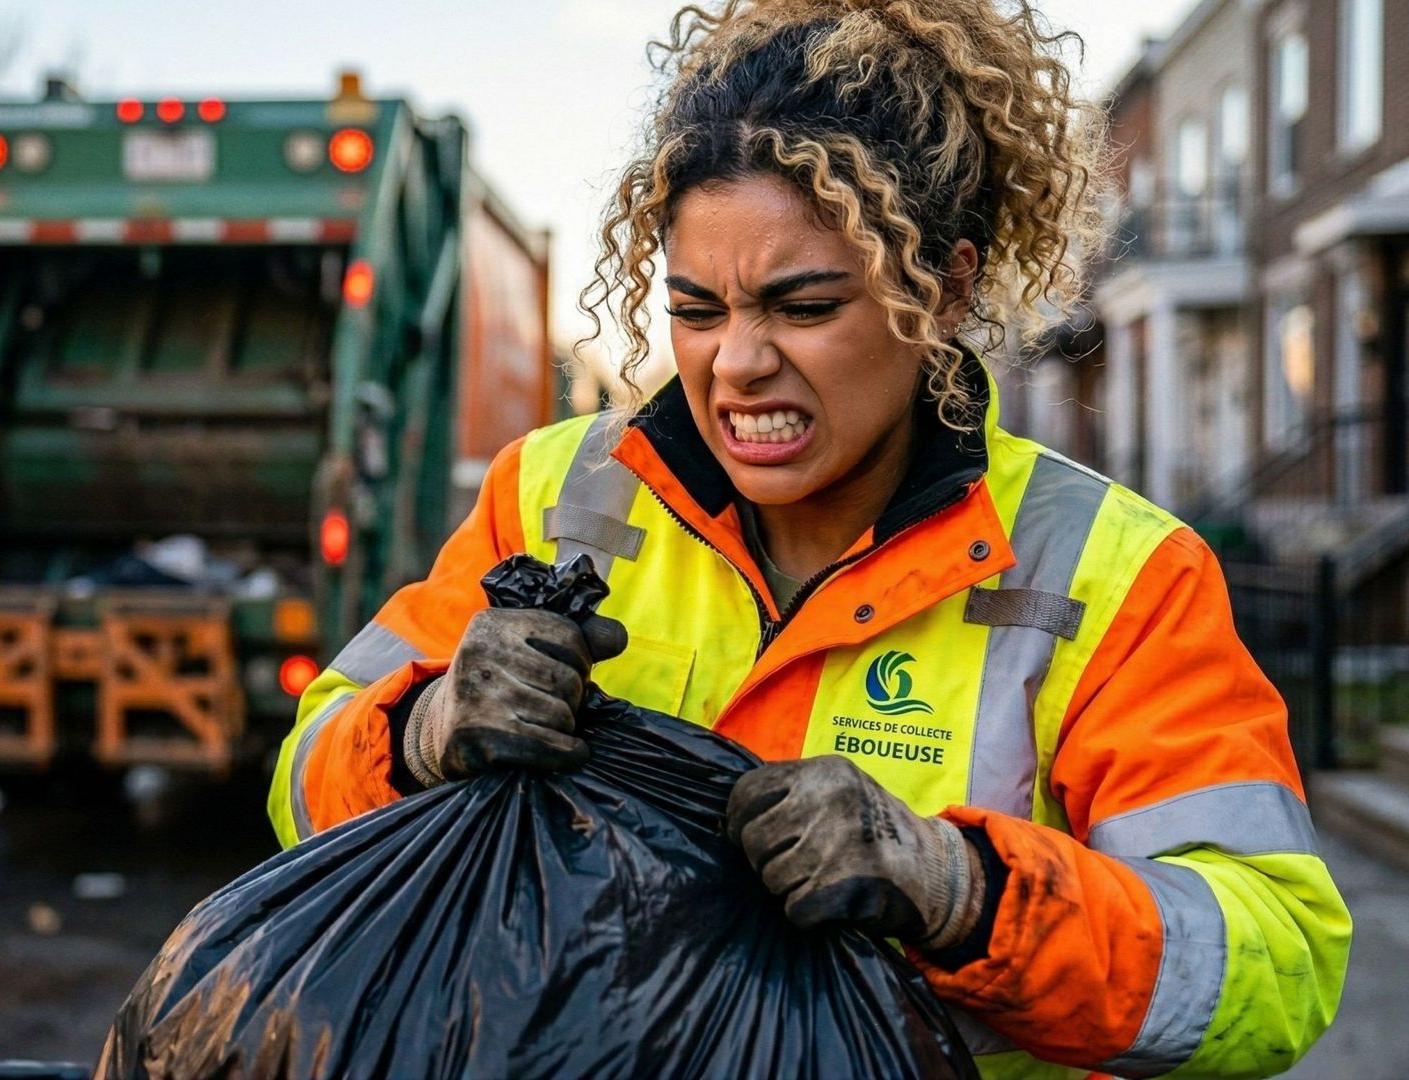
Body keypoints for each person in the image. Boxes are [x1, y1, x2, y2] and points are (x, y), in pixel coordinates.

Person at [267, 1, 1350, 1074]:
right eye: (696, 309)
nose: (736, 363)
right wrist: (424, 725)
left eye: (802, 305)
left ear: (947, 286)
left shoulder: (1113, 575)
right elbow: (306, 778)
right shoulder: (554, 497)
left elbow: (1272, 962)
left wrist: (961, 891)